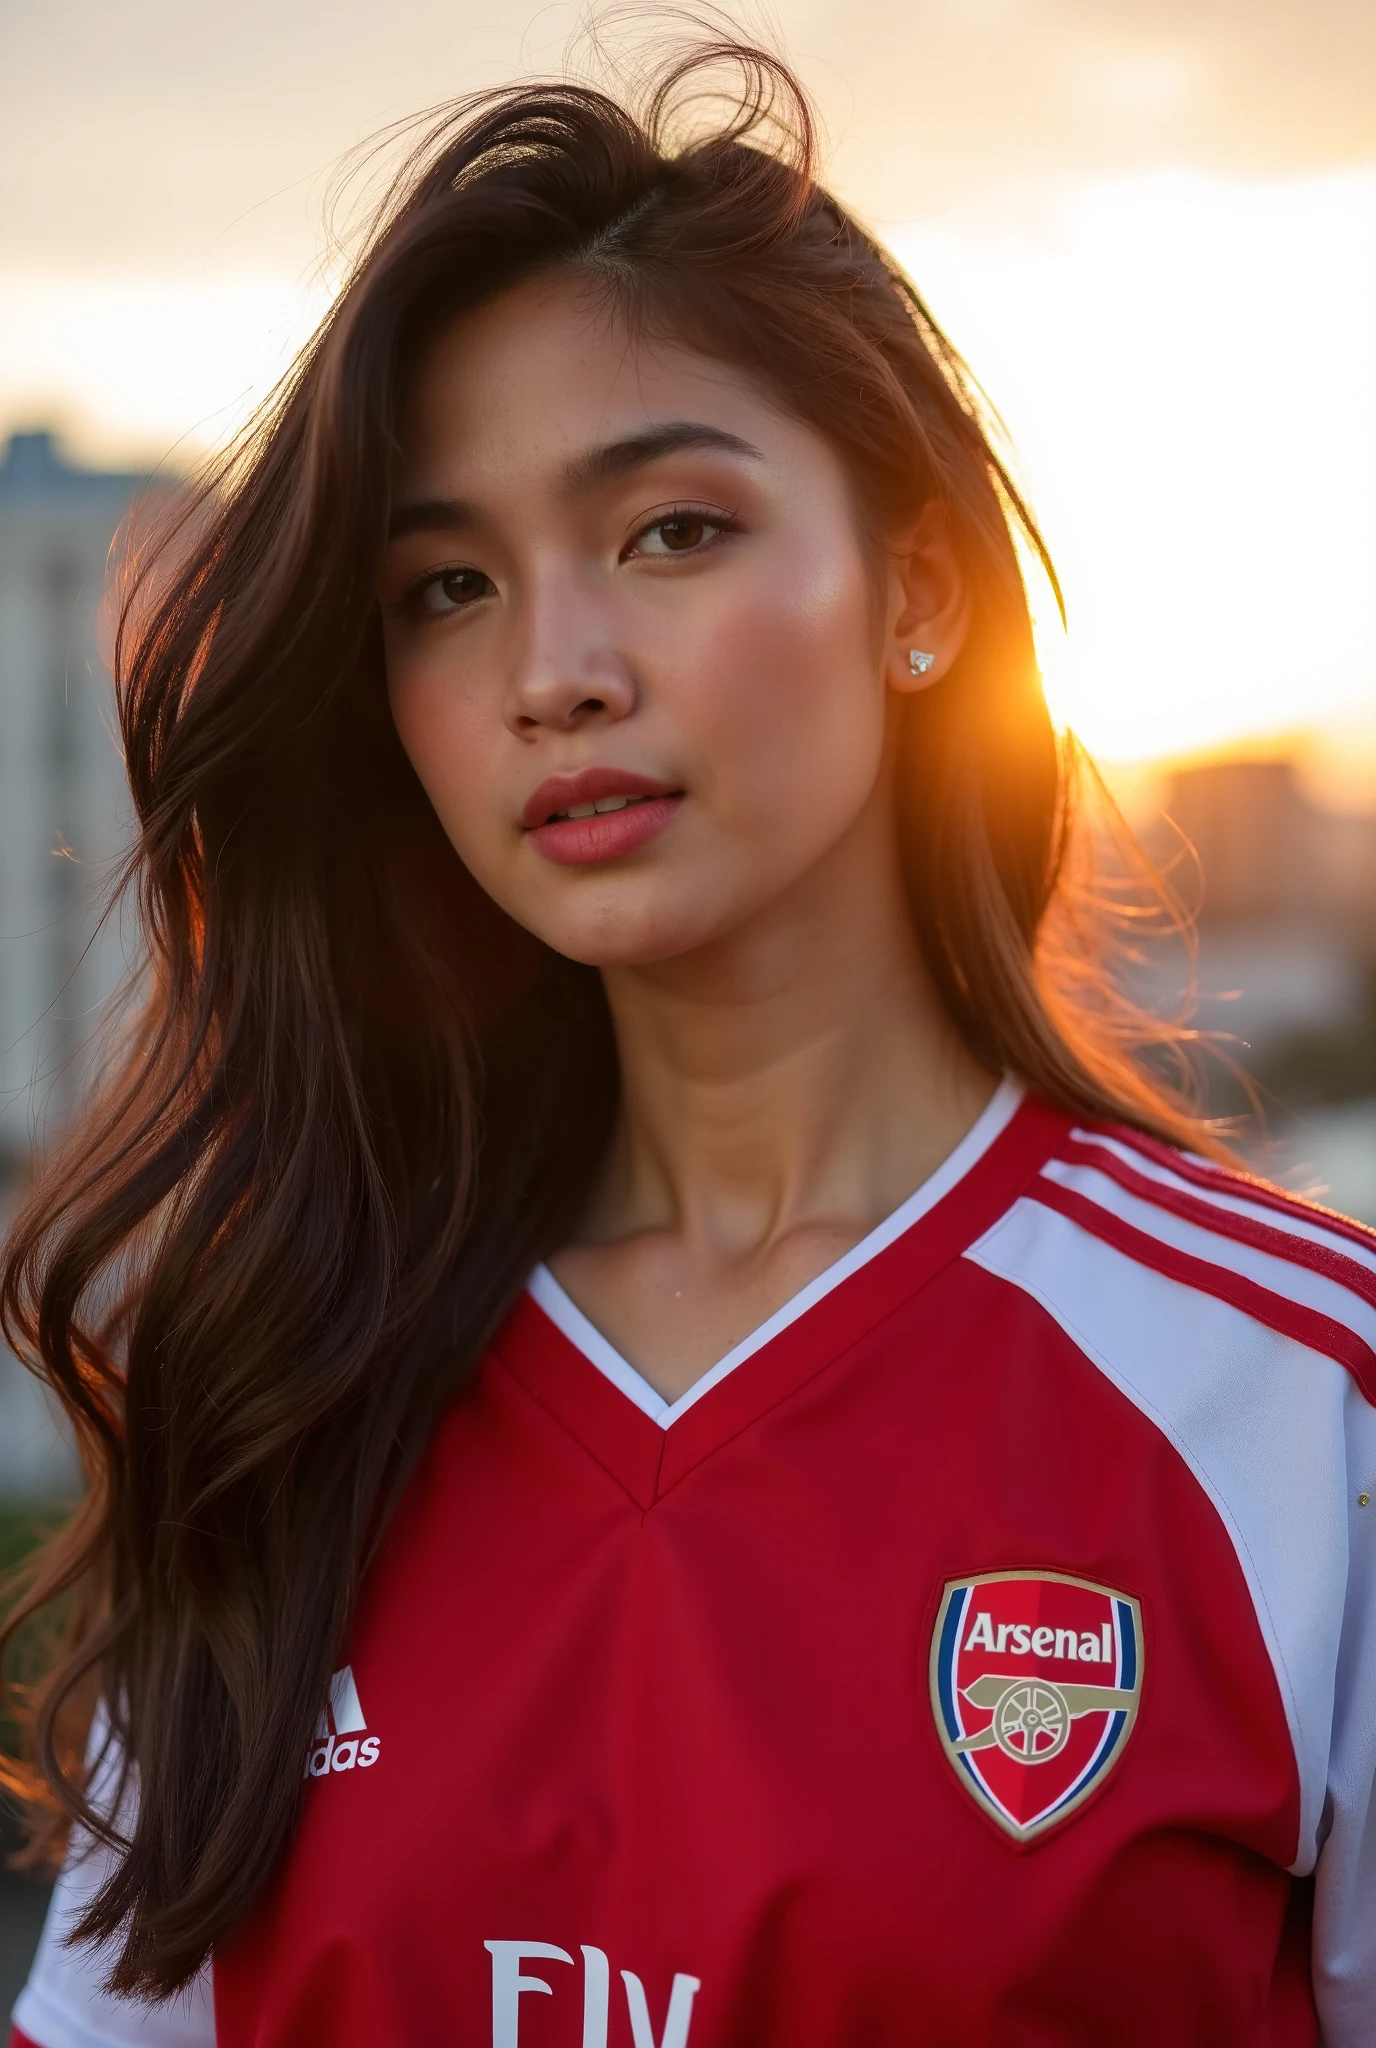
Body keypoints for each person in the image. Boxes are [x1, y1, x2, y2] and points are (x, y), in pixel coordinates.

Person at [4, 39, 1374, 2048]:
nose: (552, 671)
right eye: (447, 587)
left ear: (912, 586)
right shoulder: (295, 1396)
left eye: (669, 532)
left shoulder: (1293, 1404)